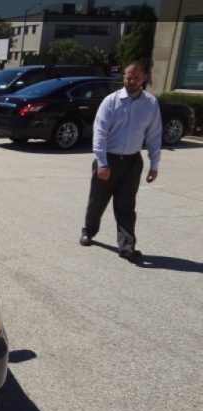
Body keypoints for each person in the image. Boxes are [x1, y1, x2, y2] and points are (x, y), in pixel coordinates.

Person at [79, 61, 163, 261]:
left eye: (135, 77)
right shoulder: (111, 101)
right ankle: (88, 231)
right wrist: (102, 162)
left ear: (144, 78)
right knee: (97, 202)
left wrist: (154, 165)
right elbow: (99, 132)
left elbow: (154, 135)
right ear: (123, 77)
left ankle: (126, 246)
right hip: (109, 159)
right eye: (127, 77)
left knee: (126, 205)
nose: (131, 81)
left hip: (132, 162)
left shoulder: (150, 104)